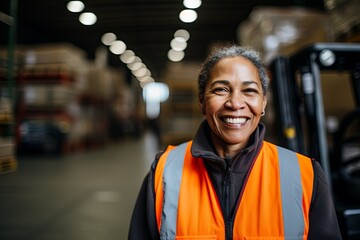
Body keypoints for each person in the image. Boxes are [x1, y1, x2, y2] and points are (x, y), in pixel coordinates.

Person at [128, 45, 342, 239]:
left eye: (249, 90)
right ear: (202, 101)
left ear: (264, 102)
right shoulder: (164, 173)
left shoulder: (305, 174)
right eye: (221, 89)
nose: (236, 103)